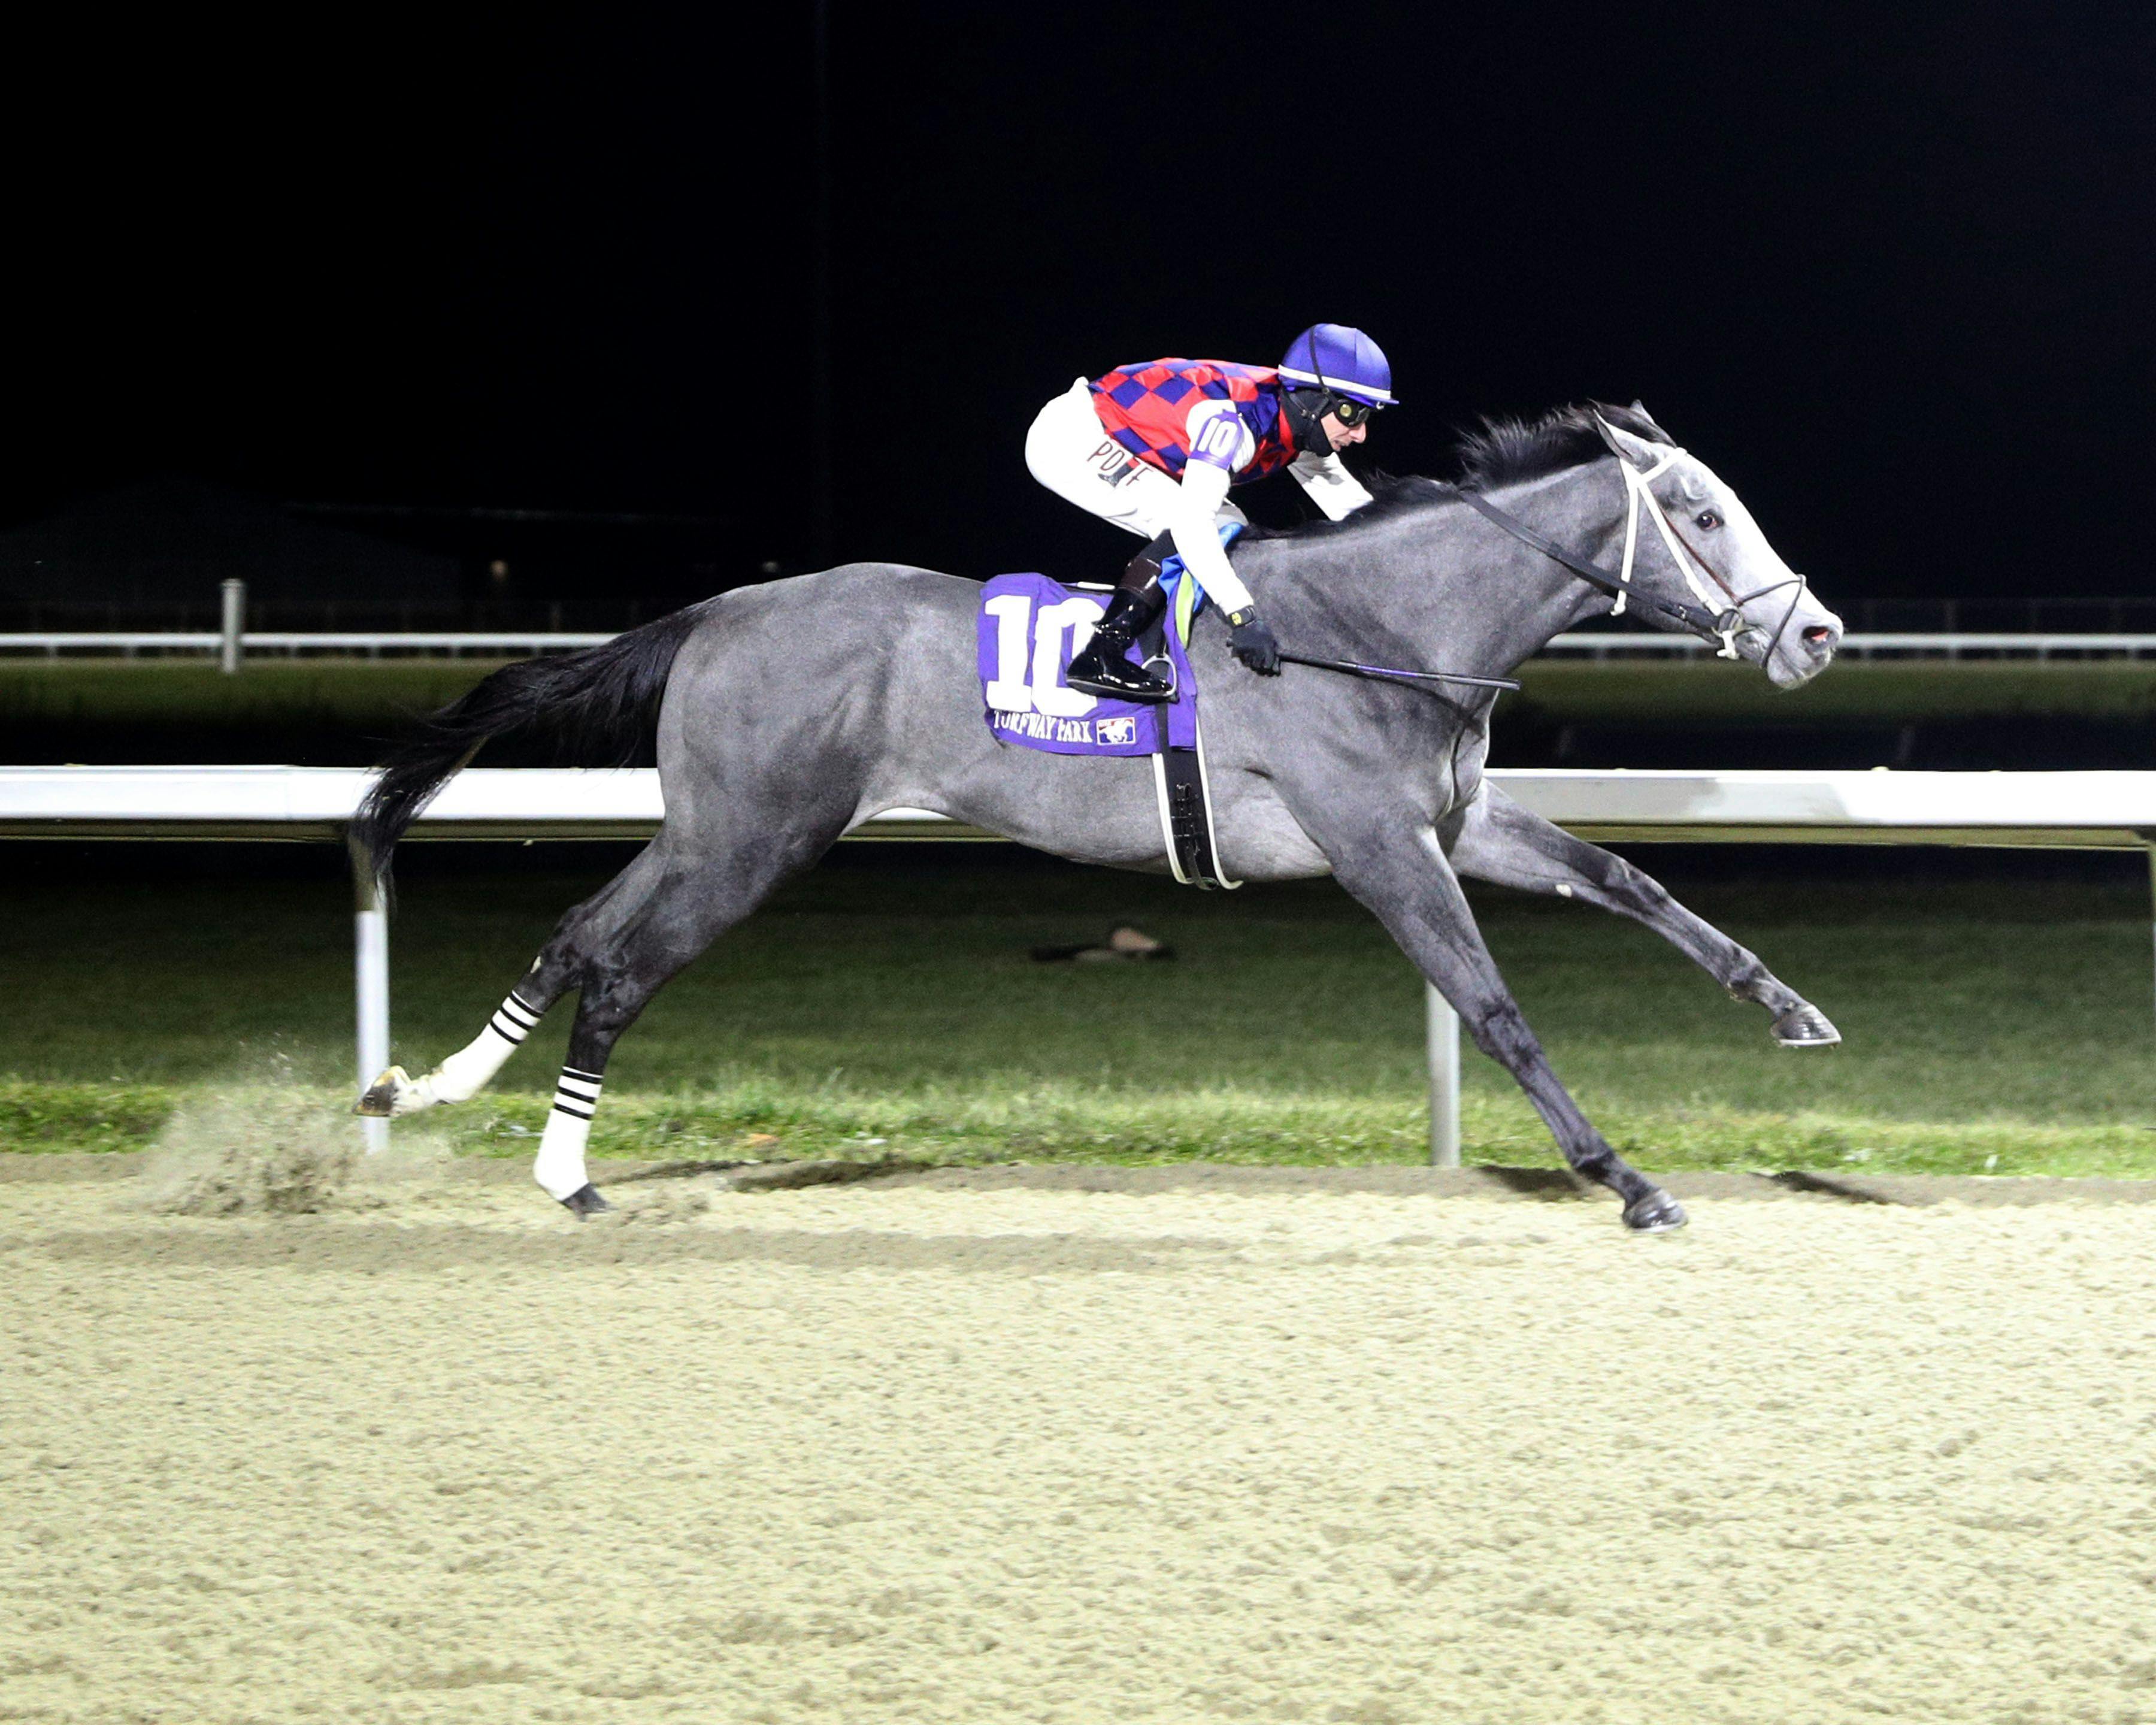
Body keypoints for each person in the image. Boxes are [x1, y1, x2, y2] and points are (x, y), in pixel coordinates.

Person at [1024, 323, 1394, 701]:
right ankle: (1102, 653)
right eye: (1353, 413)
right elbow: (1191, 524)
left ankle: (1151, 638)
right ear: (1314, 401)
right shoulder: (1234, 422)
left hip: (1111, 431)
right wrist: (1242, 614)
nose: (1361, 433)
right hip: (1070, 436)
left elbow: (1355, 511)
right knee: (1200, 524)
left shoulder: (1298, 424)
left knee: (1231, 524)